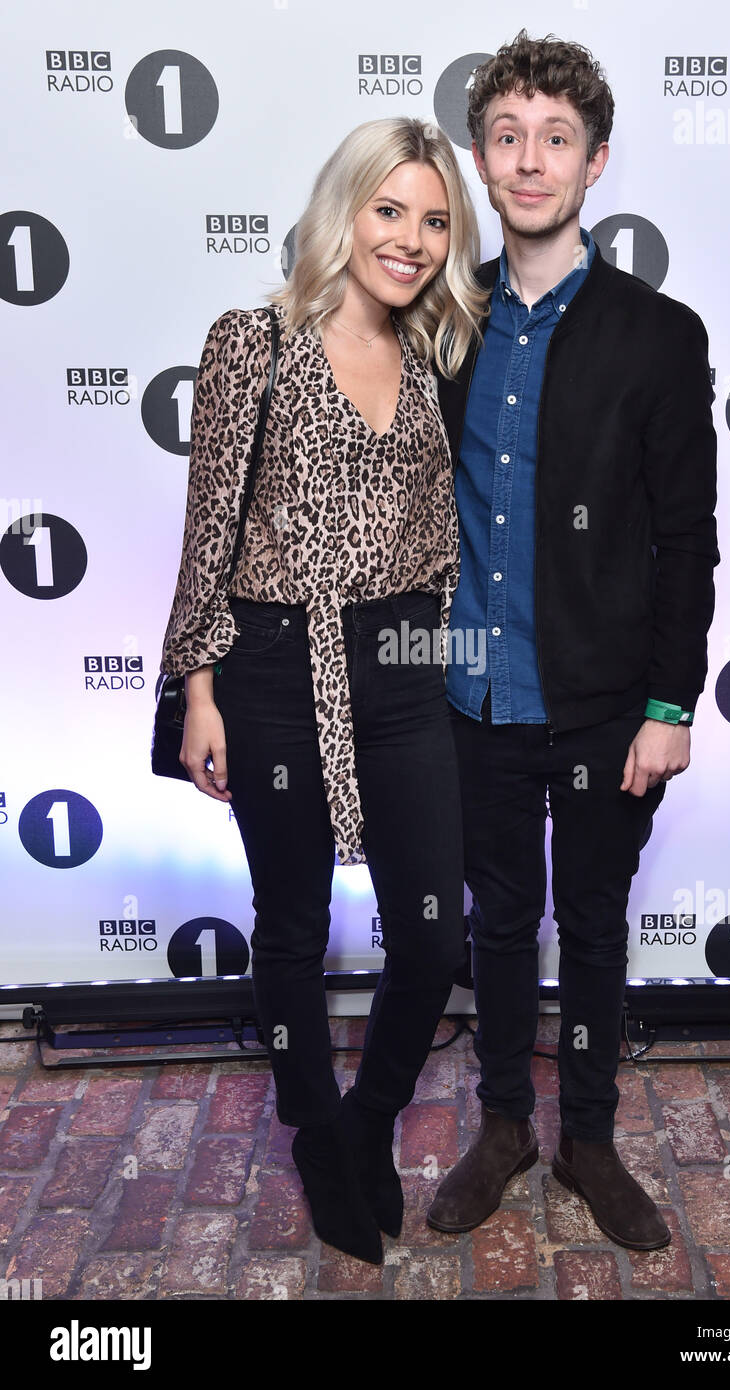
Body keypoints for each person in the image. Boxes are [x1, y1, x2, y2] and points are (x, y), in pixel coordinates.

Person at [159, 117, 487, 1265]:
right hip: (270, 657)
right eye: (388, 208)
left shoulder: (444, 353)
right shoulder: (252, 340)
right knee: (292, 922)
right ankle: (313, 1130)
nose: (409, 238)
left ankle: (363, 1119)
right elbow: (209, 534)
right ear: (344, 209)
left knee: (434, 936)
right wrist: (199, 689)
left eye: (434, 219)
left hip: (400, 662)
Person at [427, 31, 720, 1250]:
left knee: (592, 926)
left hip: (603, 703)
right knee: (496, 923)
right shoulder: (442, 325)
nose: (529, 159)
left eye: (555, 139)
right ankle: (503, 1126)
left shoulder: (658, 333)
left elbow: (686, 540)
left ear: (594, 161)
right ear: (482, 164)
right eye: (507, 138)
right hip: (471, 695)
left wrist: (669, 705)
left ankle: (587, 1138)